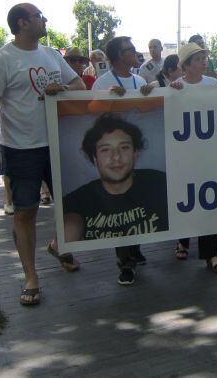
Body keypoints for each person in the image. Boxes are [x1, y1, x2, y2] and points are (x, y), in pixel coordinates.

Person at [0, 3, 86, 307]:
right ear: (23, 22)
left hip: (57, 144)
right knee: (26, 213)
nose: (45, 20)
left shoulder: (52, 55)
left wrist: (61, 92)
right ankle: (31, 277)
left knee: (73, 207)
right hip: (19, 149)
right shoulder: (1, 60)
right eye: (40, 16)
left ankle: (59, 246)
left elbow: (78, 85)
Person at [63, 114, 169, 285]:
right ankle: (127, 262)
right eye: (105, 150)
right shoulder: (78, 201)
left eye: (124, 148)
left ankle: (131, 255)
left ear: (136, 153)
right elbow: (70, 229)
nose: (116, 157)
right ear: (94, 158)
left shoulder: (161, 184)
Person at [90, 35, 156, 283]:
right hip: (117, 151)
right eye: (130, 50)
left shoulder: (139, 79)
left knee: (137, 201)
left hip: (136, 149)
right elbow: (92, 113)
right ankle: (124, 262)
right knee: (119, 204)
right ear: (119, 55)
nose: (135, 52)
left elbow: (144, 108)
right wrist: (108, 100)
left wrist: (148, 94)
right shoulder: (102, 82)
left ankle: (135, 248)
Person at [172, 42, 217, 273]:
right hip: (184, 157)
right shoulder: (175, 88)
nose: (204, 62)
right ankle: (182, 239)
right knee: (185, 200)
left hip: (210, 155)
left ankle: (212, 254)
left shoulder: (213, 84)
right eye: (198, 59)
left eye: (204, 58)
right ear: (185, 66)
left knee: (210, 202)